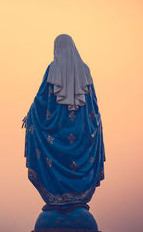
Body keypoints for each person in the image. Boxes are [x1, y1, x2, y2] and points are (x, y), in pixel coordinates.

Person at [22, 34, 105, 209]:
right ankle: (76, 197)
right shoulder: (85, 70)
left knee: (52, 156)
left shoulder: (53, 69)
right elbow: (93, 104)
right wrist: (95, 124)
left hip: (57, 131)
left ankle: (58, 198)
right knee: (77, 159)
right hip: (82, 132)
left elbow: (41, 100)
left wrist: (30, 115)